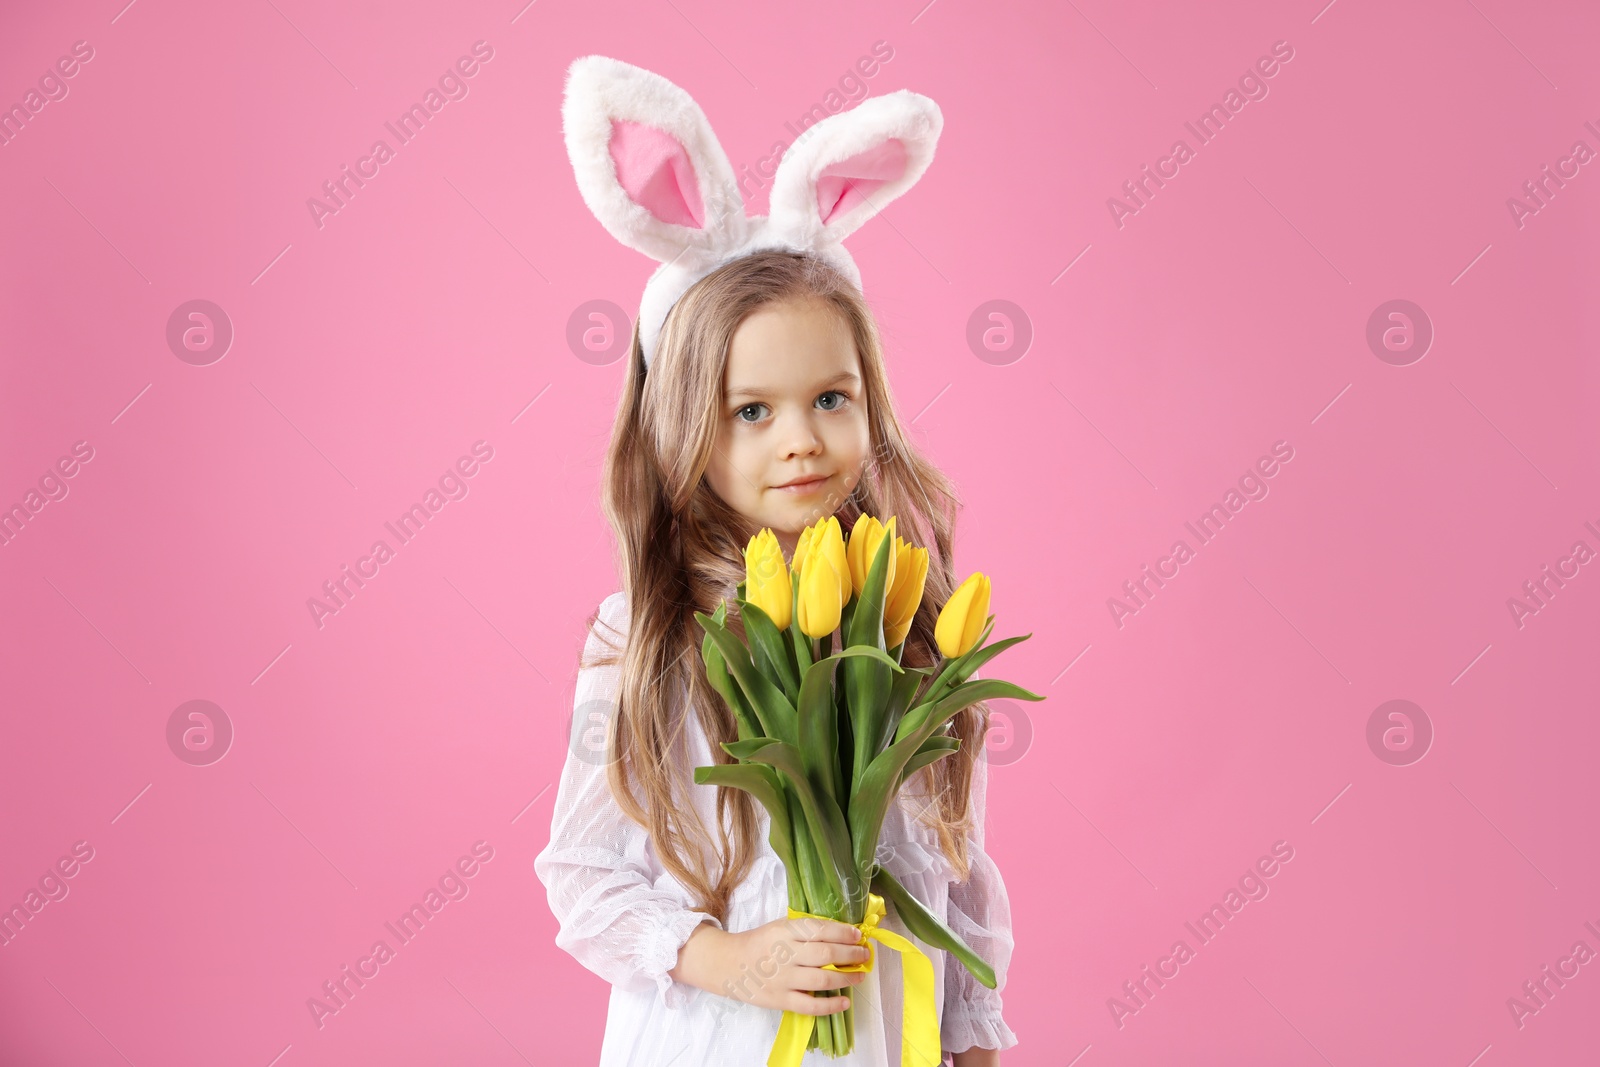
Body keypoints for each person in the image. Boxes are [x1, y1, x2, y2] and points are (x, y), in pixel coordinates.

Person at [536, 57, 1017, 1066]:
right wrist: (734, 959)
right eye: (750, 411)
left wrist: (971, 1043)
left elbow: (951, 865)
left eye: (829, 399)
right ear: (682, 430)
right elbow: (582, 871)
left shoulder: (899, 615)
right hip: (719, 1033)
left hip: (886, 1033)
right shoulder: (648, 628)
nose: (797, 439)